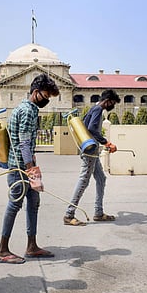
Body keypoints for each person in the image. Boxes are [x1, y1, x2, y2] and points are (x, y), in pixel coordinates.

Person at [0, 73, 60, 264]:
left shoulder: (23, 108)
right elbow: (24, 143)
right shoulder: (29, 110)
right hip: (20, 169)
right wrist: (31, 172)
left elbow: (27, 144)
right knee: (14, 205)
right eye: (46, 96)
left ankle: (32, 246)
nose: (47, 100)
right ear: (36, 92)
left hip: (23, 164)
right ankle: (2, 249)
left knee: (33, 203)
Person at [63, 89, 120, 226]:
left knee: (101, 178)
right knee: (84, 180)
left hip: (92, 150)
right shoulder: (98, 110)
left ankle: (99, 213)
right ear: (107, 101)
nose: (112, 106)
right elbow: (92, 129)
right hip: (90, 151)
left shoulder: (93, 109)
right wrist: (107, 142)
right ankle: (69, 214)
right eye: (112, 103)